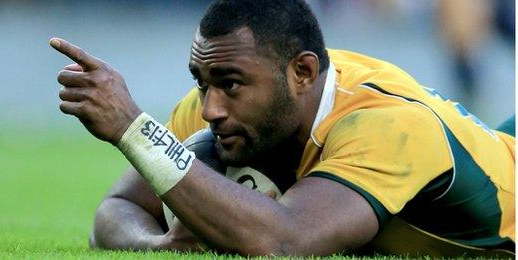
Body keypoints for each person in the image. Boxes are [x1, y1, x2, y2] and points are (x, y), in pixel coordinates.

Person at [49, 0, 515, 257]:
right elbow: (116, 210)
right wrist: (159, 244)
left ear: (303, 74)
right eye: (201, 81)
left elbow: (284, 240)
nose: (209, 108)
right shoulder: (224, 103)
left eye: (230, 83)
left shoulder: (388, 126)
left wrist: (134, 129)